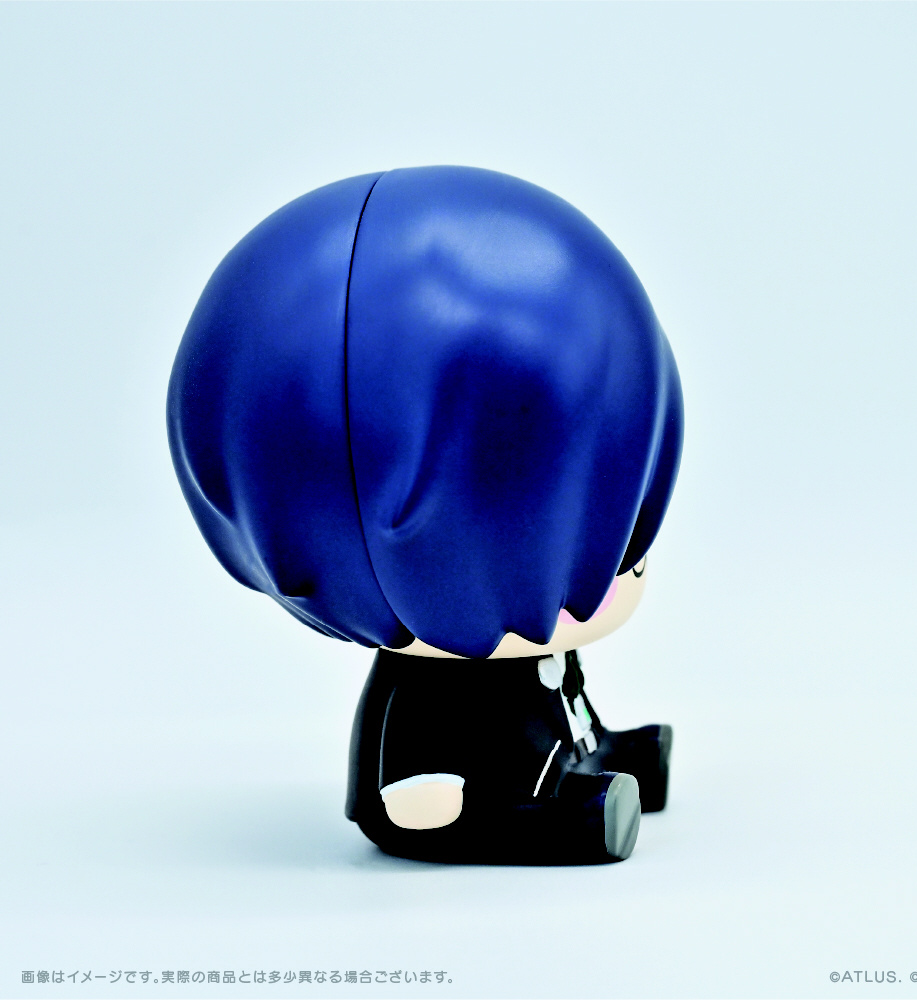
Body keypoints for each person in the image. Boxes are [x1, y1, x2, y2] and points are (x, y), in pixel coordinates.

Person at [168, 165, 683, 863]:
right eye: (612, 547)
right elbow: (410, 803)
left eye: (626, 543)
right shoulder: (423, 706)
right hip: (471, 802)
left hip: (544, 739)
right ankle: (557, 809)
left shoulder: (536, 643)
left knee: (560, 706)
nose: (625, 568)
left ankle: (585, 749)